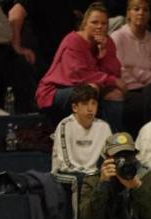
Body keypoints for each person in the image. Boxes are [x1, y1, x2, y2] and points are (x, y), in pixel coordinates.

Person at [36, 2, 126, 133]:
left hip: (91, 88)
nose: (99, 27)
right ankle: (86, 138)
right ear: (85, 23)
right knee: (90, 89)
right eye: (94, 22)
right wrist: (112, 80)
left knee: (115, 94)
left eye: (104, 23)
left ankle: (113, 139)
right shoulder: (73, 40)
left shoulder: (107, 42)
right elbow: (77, 75)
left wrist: (104, 54)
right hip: (55, 91)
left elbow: (115, 72)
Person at [110, 0, 151, 136]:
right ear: (128, 13)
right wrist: (148, 75)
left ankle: (148, 138)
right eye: (136, 9)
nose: (141, 13)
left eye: (145, 10)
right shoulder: (117, 37)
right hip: (127, 91)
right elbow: (119, 71)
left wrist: (135, 71)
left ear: (150, 15)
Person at [51, 84, 112, 176]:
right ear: (75, 107)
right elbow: (64, 163)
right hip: (68, 175)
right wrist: (87, 176)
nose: (90, 108)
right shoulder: (65, 125)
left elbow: (109, 156)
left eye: (93, 103)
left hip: (94, 176)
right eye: (85, 104)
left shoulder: (104, 127)